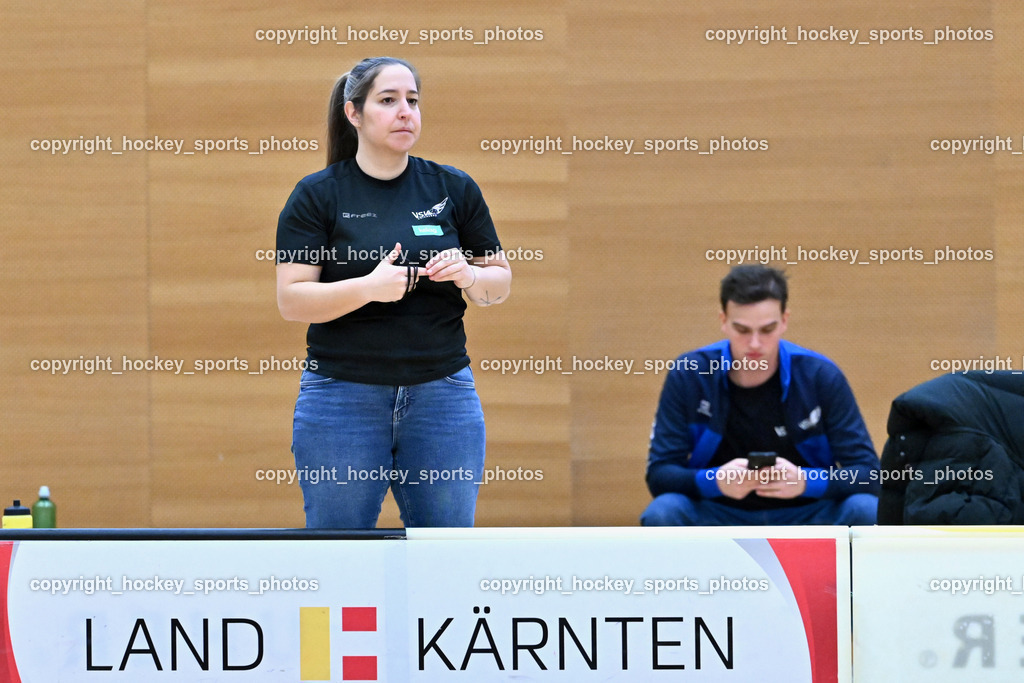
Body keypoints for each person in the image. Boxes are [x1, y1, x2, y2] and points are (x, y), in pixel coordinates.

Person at [275, 57, 511, 529]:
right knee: (340, 552)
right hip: (342, 396)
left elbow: (498, 283)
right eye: (388, 101)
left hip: (442, 395)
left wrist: (468, 276)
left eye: (413, 100)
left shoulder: (453, 187)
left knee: (444, 554)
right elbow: (292, 299)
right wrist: (369, 288)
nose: (406, 111)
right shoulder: (318, 195)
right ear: (353, 113)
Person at [640, 265, 879, 526]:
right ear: (723, 321)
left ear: (785, 320)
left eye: (767, 330)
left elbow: (869, 475)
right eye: (742, 330)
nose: (754, 344)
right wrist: (715, 481)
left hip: (809, 514)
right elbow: (660, 474)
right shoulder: (690, 373)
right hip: (717, 513)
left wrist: (806, 482)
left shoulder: (821, 376)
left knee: (867, 509)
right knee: (663, 512)